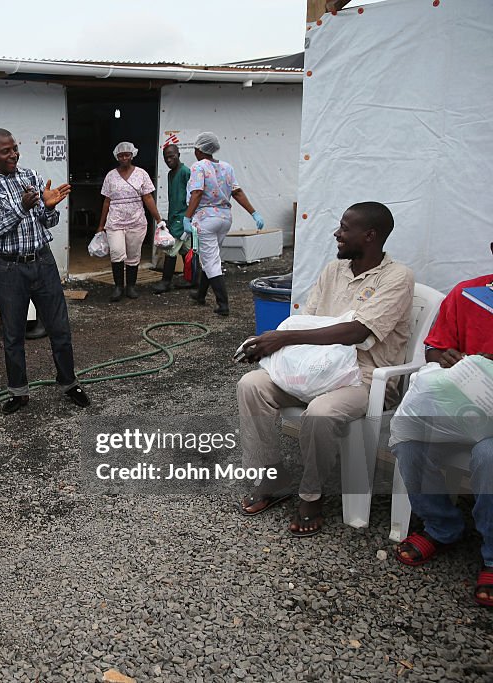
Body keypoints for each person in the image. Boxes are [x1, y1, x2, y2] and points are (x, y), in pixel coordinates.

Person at [235, 202, 413, 537]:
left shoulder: (398, 277)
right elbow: (308, 323)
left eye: (345, 228)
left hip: (365, 379)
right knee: (251, 385)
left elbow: (358, 332)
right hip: (315, 372)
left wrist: (281, 337)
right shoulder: (334, 271)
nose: (337, 234)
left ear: (370, 235)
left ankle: (311, 494)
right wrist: (267, 349)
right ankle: (273, 479)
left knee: (320, 411)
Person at [392, 241, 493, 607]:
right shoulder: (469, 294)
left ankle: (492, 552)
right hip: (462, 406)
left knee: (488, 455)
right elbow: (434, 349)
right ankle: (442, 527)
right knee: (410, 438)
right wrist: (446, 356)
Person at [0, 128, 91, 415]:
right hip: (10, 268)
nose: (13, 154)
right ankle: (19, 391)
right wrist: (23, 206)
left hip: (43, 262)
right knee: (13, 335)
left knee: (59, 328)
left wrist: (49, 207)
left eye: (15, 148)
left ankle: (68, 382)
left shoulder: (30, 176)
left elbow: (45, 220)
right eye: (5, 151)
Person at [183, 132, 265, 315]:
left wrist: (187, 217)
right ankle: (200, 295)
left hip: (206, 219)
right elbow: (237, 192)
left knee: (211, 260)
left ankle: (223, 304)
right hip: (225, 219)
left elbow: (196, 193)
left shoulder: (198, 166)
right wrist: (254, 213)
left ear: (199, 149)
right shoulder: (227, 167)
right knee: (209, 256)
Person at [95, 141, 165, 301]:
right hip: (115, 222)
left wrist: (158, 219)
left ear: (132, 155)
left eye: (127, 154)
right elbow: (106, 201)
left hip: (136, 221)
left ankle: (131, 286)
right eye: (121, 155)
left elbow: (148, 198)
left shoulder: (141, 174)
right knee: (117, 253)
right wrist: (100, 225)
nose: (124, 157)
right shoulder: (111, 176)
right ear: (116, 157)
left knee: (133, 255)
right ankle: (118, 286)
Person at [150, 143, 193, 293]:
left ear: (178, 155)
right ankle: (194, 279)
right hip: (175, 216)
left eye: (171, 156)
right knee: (187, 250)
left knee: (170, 249)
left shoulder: (185, 172)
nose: (168, 160)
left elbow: (194, 194)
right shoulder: (170, 174)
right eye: (166, 157)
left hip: (182, 218)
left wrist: (189, 217)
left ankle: (166, 282)